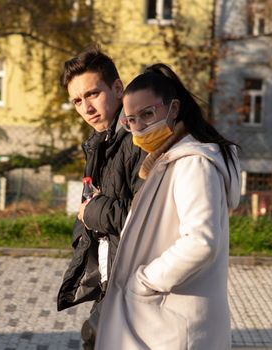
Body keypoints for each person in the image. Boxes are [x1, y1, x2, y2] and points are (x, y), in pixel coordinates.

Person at [94, 63, 241, 350]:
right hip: (161, 320)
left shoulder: (193, 163)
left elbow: (201, 242)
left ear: (173, 109)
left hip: (171, 323)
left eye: (148, 114)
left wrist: (144, 282)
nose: (140, 127)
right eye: (131, 120)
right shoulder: (168, 161)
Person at [56, 47, 146, 349]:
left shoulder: (139, 140)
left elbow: (146, 218)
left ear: (118, 88)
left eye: (93, 94)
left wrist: (91, 212)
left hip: (136, 282)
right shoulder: (100, 143)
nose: (86, 108)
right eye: (77, 101)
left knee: (95, 338)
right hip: (112, 280)